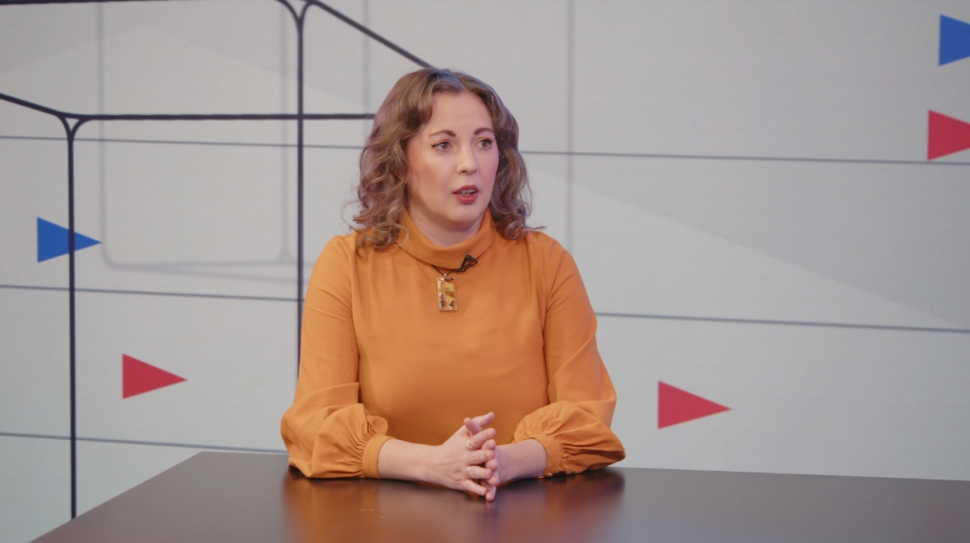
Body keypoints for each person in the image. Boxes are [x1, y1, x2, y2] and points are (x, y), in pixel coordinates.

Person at [280, 68, 625, 501]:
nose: (469, 164)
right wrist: (433, 464)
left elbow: (587, 417)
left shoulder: (547, 263)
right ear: (400, 160)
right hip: (384, 517)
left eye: (484, 142)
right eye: (443, 145)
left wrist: (503, 461)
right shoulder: (347, 264)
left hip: (517, 511)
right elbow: (315, 426)